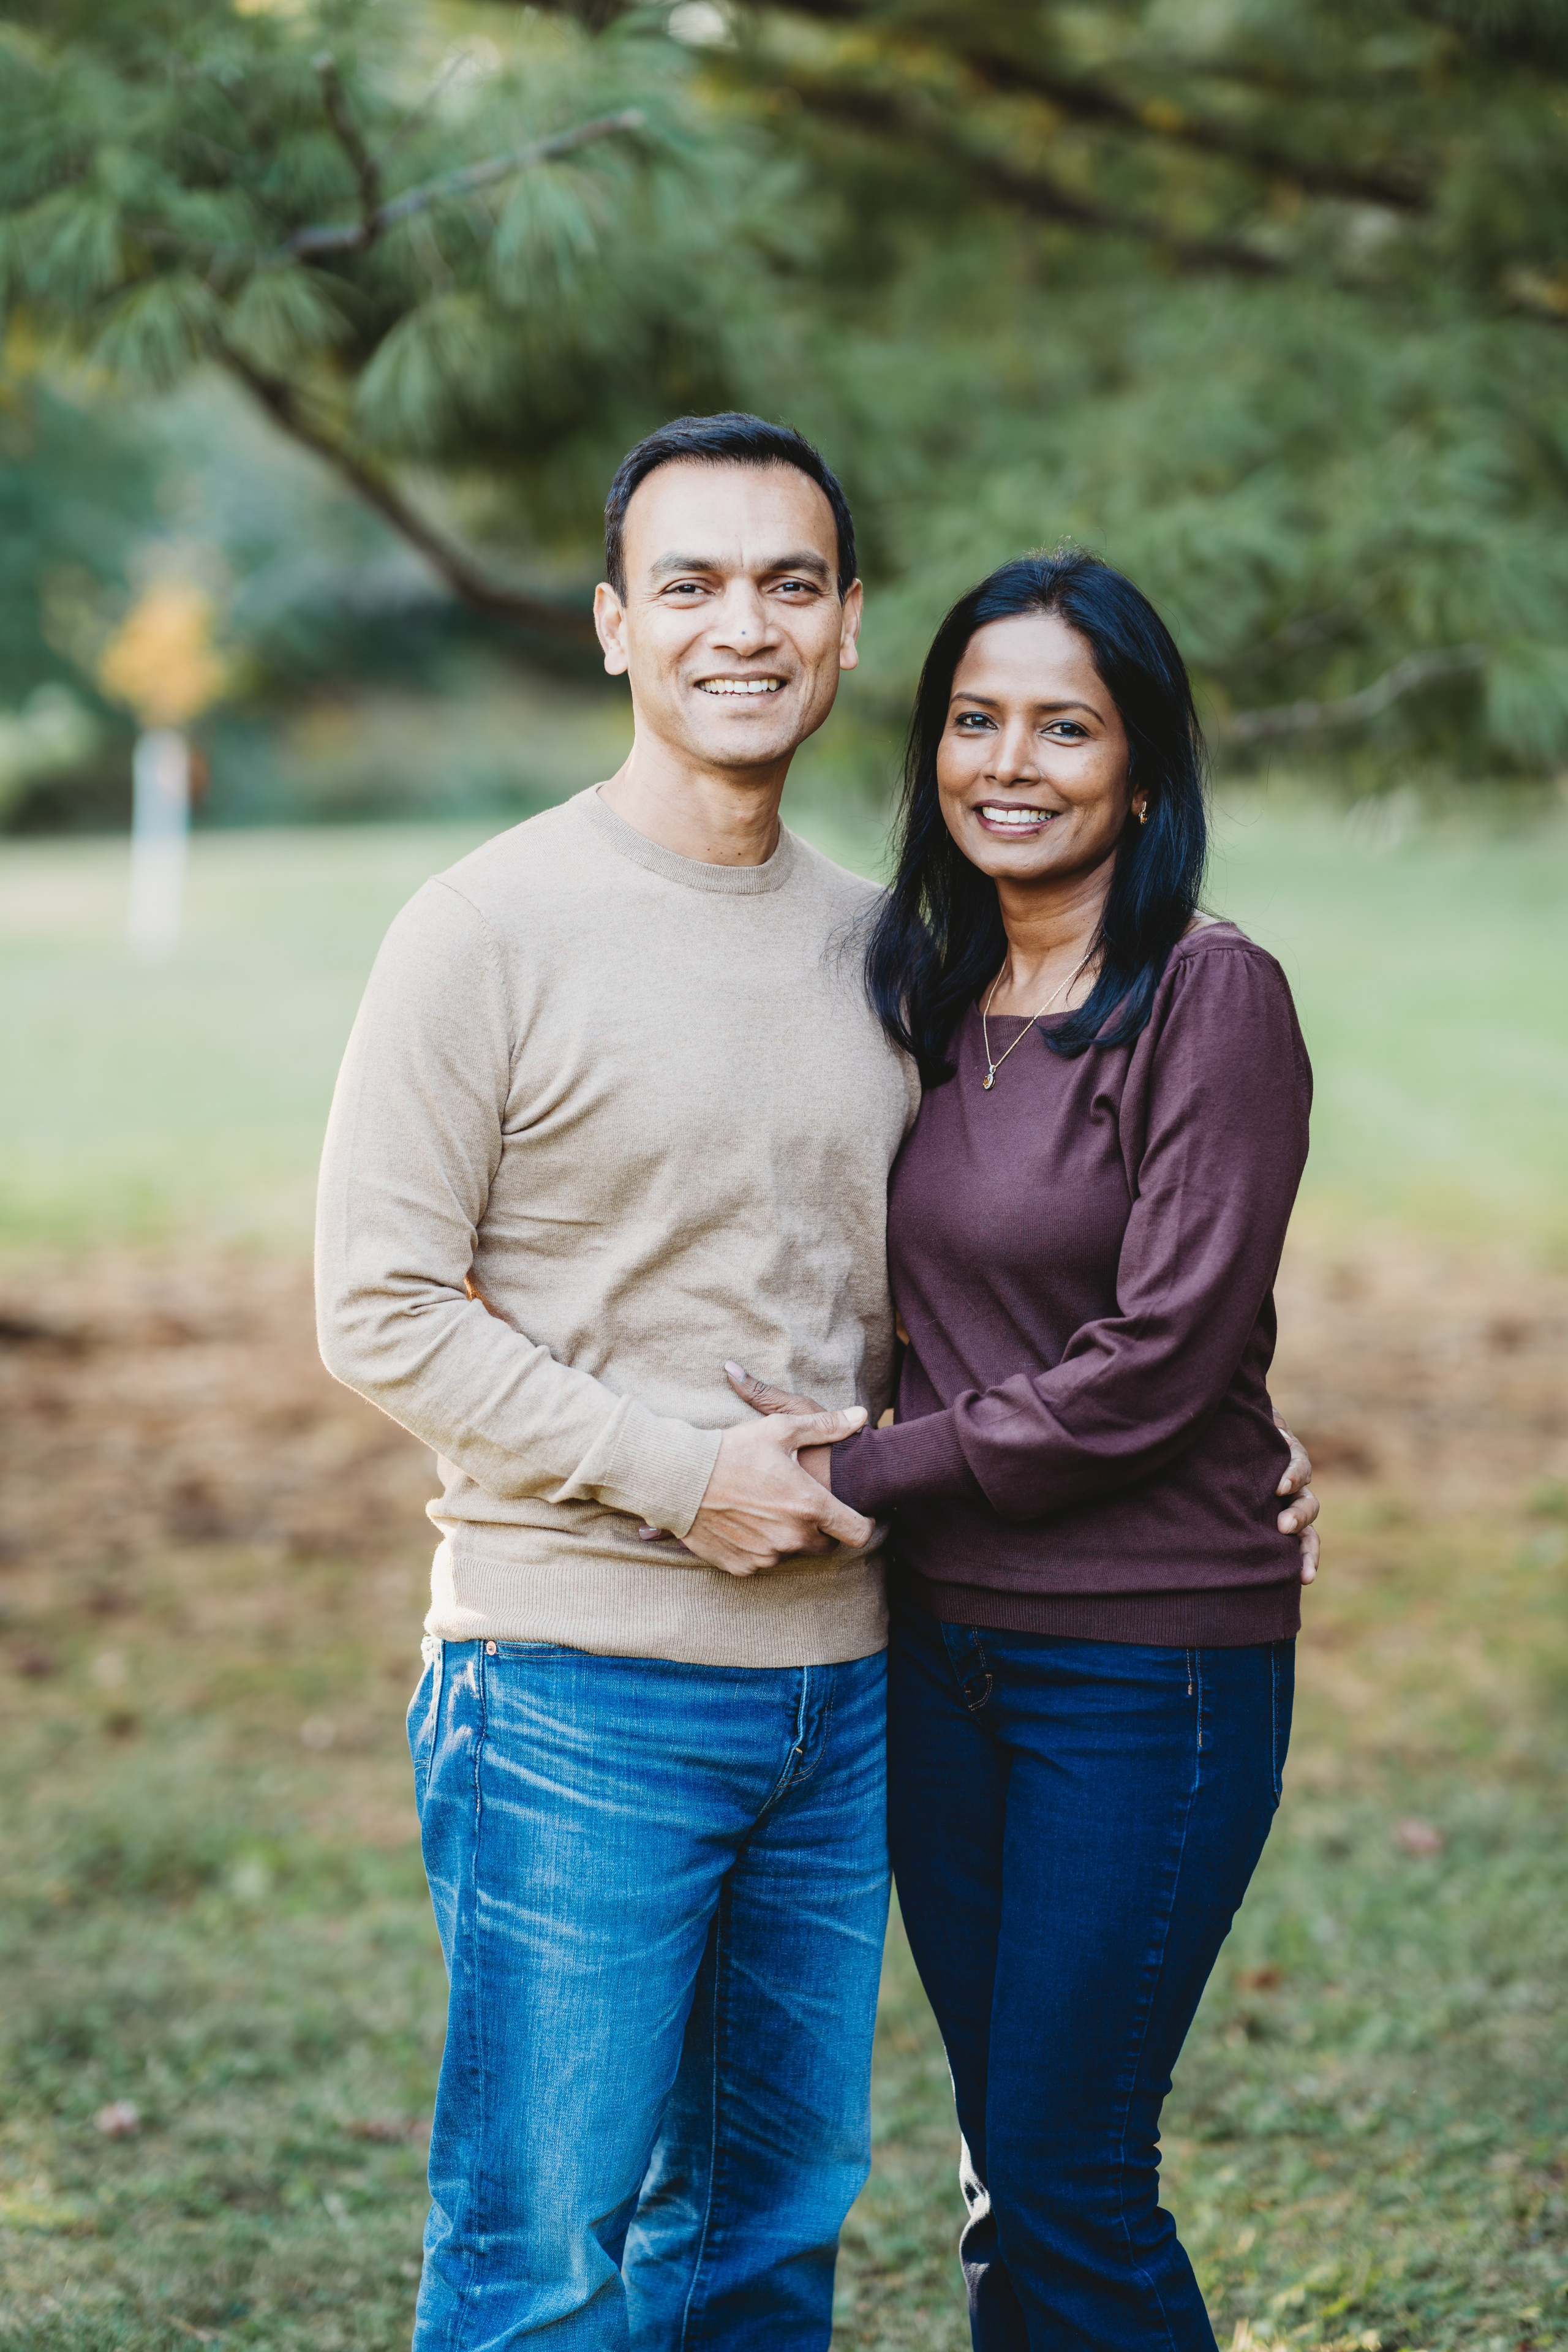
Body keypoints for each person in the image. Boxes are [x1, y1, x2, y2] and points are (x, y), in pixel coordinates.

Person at [317, 415, 1318, 2351]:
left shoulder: (895, 955)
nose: (741, 627)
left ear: (849, 629)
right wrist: (685, 1475)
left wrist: (1235, 1423)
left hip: (851, 1682)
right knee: (546, 2258)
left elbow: (1024, 1271)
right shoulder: (483, 930)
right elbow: (377, 1308)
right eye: (688, 583)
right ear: (614, 623)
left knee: (771, 2234)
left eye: (789, 584)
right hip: (573, 1680)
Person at [728, 551, 1313, 2350]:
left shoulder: (1210, 997)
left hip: (1148, 1661)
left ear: (1143, 772)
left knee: (1069, 2171)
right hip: (938, 1651)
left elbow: (1152, 1360)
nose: (1012, 761)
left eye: (1067, 726)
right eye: (976, 719)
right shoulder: (915, 991)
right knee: (1004, 2165)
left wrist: (858, 1475)